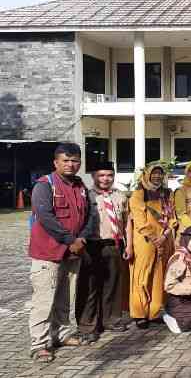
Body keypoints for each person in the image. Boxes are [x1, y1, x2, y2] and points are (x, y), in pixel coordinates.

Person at [28, 143, 95, 362]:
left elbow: (90, 216)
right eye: (65, 160)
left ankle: (62, 334)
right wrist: (70, 240)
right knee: (44, 300)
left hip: (73, 252)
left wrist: (82, 238)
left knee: (65, 298)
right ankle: (40, 344)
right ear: (56, 162)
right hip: (48, 252)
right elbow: (46, 217)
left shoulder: (80, 186)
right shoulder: (44, 185)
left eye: (74, 160)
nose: (70, 164)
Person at [76, 161, 129, 342]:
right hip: (92, 245)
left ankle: (111, 320)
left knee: (113, 285)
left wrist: (128, 244)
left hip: (114, 244)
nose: (106, 179)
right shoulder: (86, 196)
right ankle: (88, 325)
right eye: (101, 175)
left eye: (109, 175)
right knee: (90, 287)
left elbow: (127, 221)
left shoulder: (120, 196)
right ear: (94, 177)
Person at [128, 163, 178, 329]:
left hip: (164, 238)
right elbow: (140, 221)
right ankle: (139, 313)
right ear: (147, 174)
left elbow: (172, 215)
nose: (156, 176)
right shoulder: (138, 194)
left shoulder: (166, 193)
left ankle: (154, 311)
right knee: (142, 275)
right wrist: (155, 237)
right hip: (145, 241)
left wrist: (165, 235)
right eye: (153, 173)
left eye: (159, 174)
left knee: (159, 275)